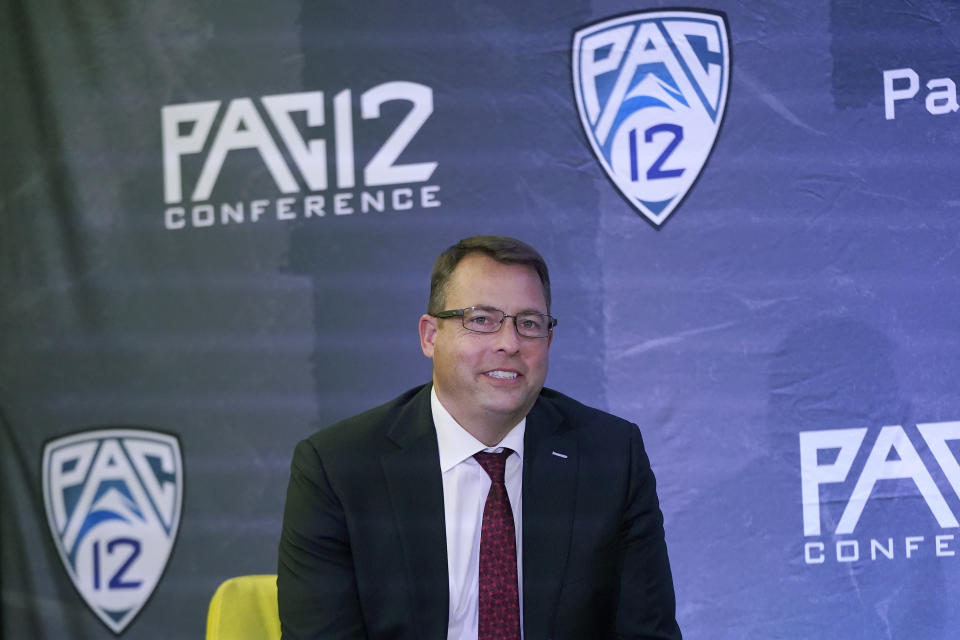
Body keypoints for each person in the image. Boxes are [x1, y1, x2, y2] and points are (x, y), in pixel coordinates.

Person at [277, 235, 681, 639]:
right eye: (481, 320)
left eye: (529, 324)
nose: (509, 343)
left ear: (549, 341)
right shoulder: (339, 466)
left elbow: (647, 632)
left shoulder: (610, 456)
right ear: (430, 336)